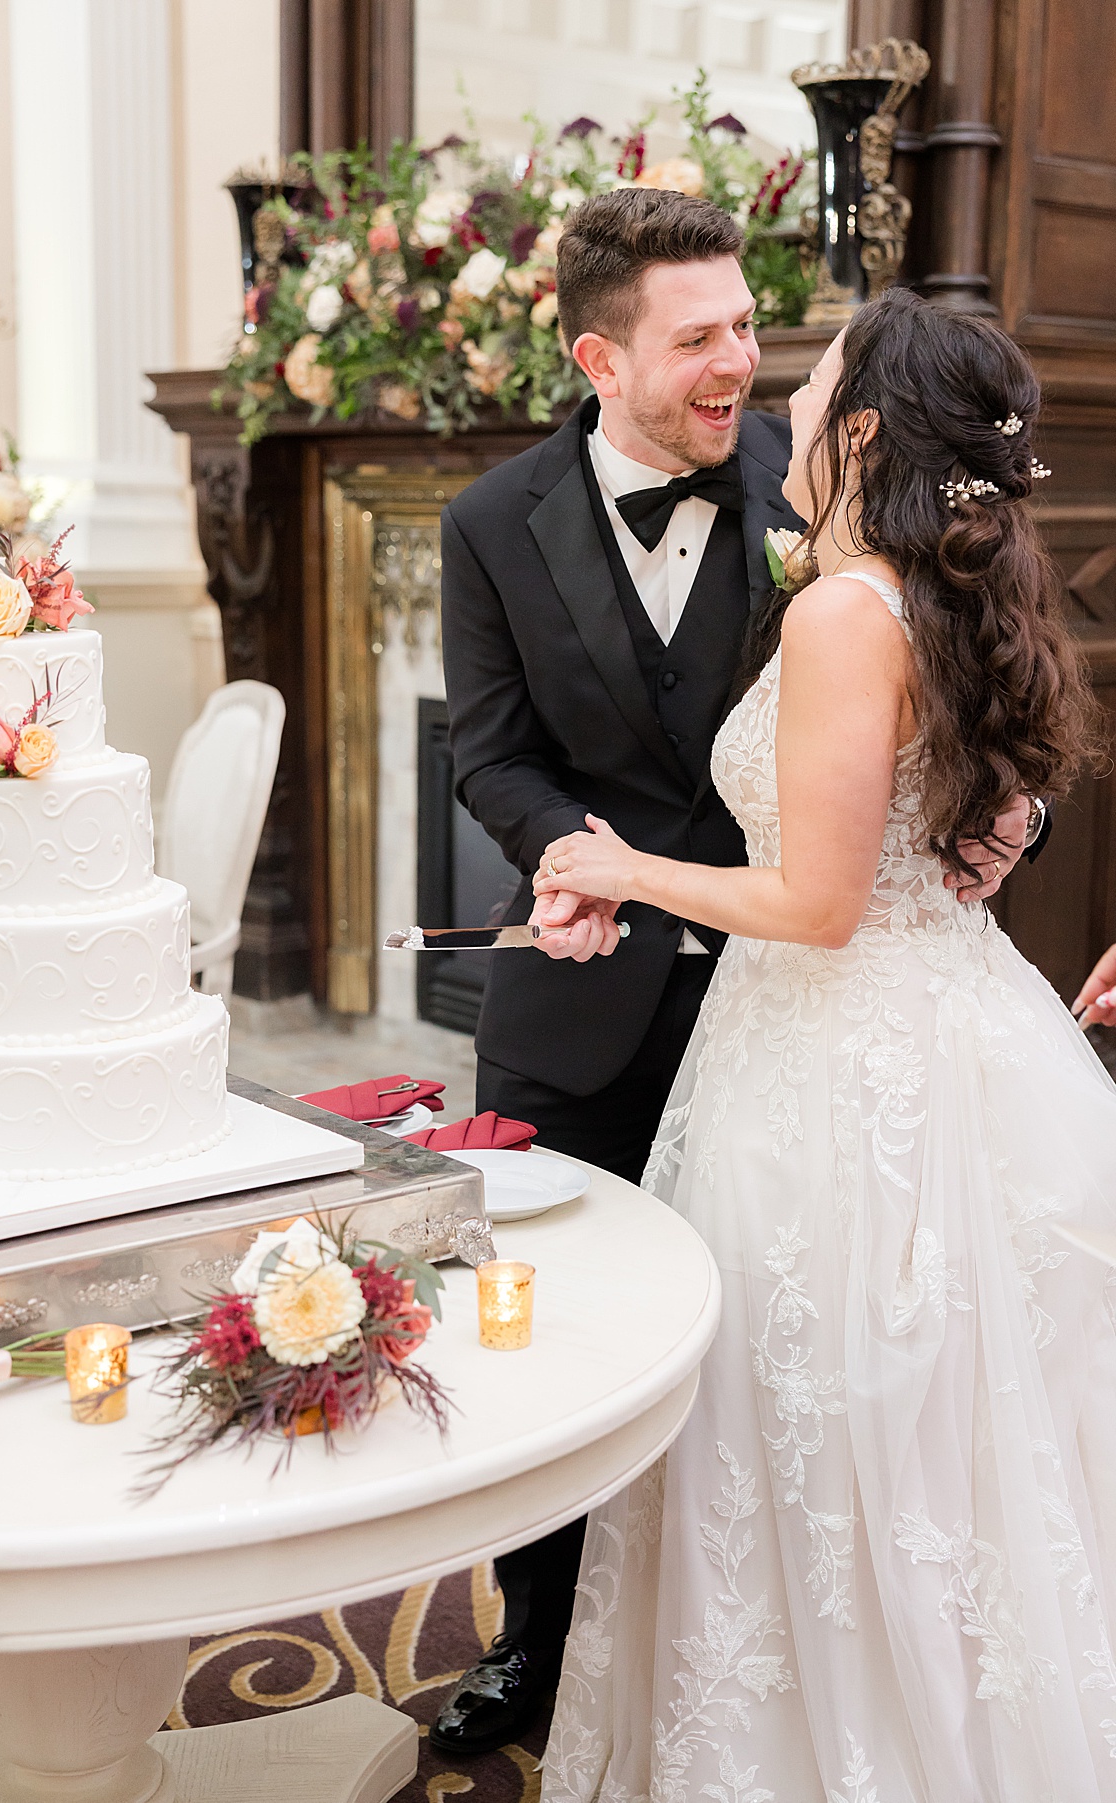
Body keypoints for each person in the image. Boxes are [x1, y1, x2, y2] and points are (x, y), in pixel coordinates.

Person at [435, 188, 1037, 1754]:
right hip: (590, 990)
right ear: (597, 355)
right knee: (561, 1329)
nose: (742, 366)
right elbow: (490, 755)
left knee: (818, 1384)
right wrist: (570, 857)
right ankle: (544, 1644)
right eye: (700, 338)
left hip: (803, 1016)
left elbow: (969, 675)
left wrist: (1005, 810)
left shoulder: (836, 472)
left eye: (753, 328)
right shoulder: (490, 523)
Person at [529, 287, 1116, 1799]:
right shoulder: (918, 589)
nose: (779, 397)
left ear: (857, 432)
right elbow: (941, 811)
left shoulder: (850, 611)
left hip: (852, 1071)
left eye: (811, 378)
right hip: (935, 1040)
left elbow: (820, 901)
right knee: (939, 1444)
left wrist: (619, 869)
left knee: (829, 1428)